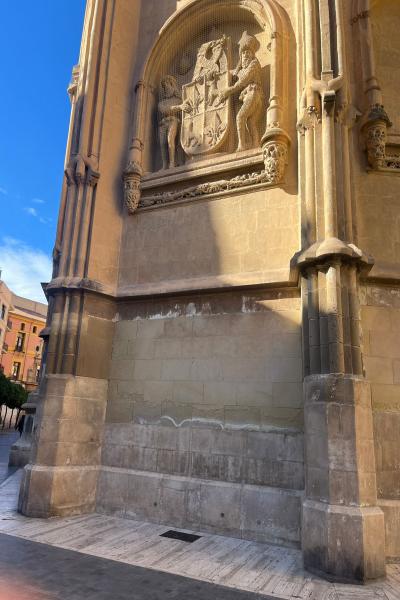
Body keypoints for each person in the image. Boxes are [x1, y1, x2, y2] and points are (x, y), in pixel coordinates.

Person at [217, 31, 265, 152]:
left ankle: (241, 145)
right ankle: (255, 144)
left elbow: (242, 82)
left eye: (248, 52)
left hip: (253, 94)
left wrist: (227, 91)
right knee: (251, 122)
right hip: (252, 96)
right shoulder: (243, 68)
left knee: (240, 117)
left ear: (253, 54)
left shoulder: (254, 64)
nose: (246, 54)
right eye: (243, 53)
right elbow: (233, 73)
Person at [158, 75, 182, 170]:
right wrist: (178, 107)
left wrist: (179, 107)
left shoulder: (178, 100)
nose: (165, 89)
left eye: (166, 85)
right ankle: (164, 165)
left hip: (173, 121)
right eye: (163, 87)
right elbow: (163, 110)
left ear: (172, 85)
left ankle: (172, 163)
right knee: (162, 144)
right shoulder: (162, 102)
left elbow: (181, 106)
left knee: (170, 140)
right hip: (163, 124)